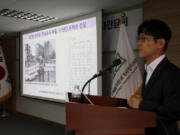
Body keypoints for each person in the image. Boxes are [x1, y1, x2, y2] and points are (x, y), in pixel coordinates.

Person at [128, 19, 180, 135]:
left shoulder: (172, 73)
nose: (139, 43)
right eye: (139, 39)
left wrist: (141, 105)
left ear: (160, 43)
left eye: (144, 39)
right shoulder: (148, 69)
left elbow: (174, 111)